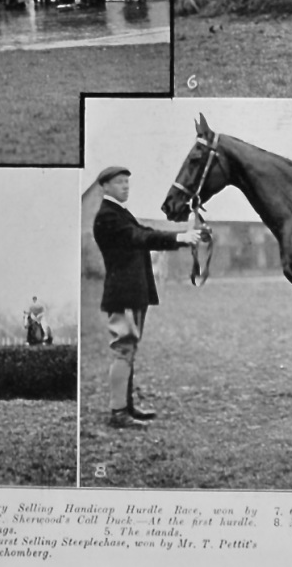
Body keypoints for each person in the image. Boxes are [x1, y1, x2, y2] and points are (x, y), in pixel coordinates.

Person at [92, 165, 203, 428]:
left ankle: (126, 406)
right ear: (105, 187)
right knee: (123, 349)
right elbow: (141, 236)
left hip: (132, 291)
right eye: (120, 182)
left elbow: (146, 231)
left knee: (128, 350)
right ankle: (118, 412)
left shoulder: (119, 213)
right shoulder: (108, 216)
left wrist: (183, 236)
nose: (126, 186)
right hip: (124, 292)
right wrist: (180, 238)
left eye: (127, 182)